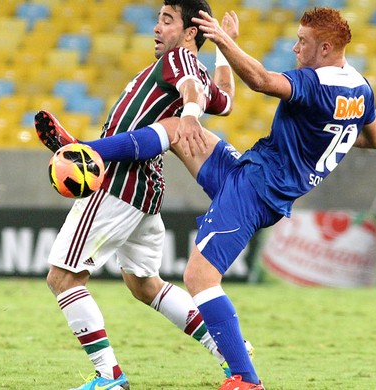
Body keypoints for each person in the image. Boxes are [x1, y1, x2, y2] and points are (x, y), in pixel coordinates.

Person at [37, 6, 376, 390]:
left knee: (199, 275)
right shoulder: (361, 89)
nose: (294, 48)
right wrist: (328, 137)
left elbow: (263, 81)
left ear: (326, 47)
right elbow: (373, 139)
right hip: (252, 169)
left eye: (302, 42)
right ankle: (92, 151)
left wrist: (220, 38)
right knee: (176, 132)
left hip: (259, 187)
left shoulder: (314, 84)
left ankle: (246, 380)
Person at [33, 1, 250, 389]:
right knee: (144, 285)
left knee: (62, 278)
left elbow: (190, 92)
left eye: (167, 20)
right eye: (158, 20)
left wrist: (189, 114)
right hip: (146, 190)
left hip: (117, 184)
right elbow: (228, 102)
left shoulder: (180, 59)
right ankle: (230, 350)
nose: (156, 28)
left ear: (188, 33)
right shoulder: (195, 66)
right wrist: (223, 47)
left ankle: (109, 377)